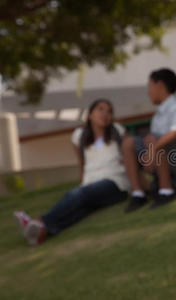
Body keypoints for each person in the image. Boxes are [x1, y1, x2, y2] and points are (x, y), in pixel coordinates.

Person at [14, 99, 130, 245]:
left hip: (116, 183)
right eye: (100, 109)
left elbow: (131, 151)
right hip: (90, 183)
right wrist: (81, 184)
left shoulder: (117, 131)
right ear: (90, 115)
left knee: (77, 195)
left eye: (109, 111)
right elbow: (82, 164)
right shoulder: (79, 136)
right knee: (81, 209)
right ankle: (40, 233)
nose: (105, 114)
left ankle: (37, 222)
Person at [122, 68, 176, 212]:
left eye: (150, 87)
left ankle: (166, 191)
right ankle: (138, 193)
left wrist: (152, 149)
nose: (148, 92)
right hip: (167, 160)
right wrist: (150, 149)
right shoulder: (157, 116)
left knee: (156, 140)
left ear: (159, 85)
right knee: (129, 143)